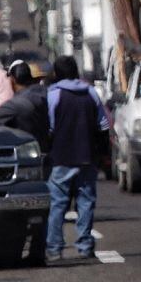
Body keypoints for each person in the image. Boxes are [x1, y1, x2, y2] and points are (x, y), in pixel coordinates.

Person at [45, 55, 110, 263]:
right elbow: (103, 126)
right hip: (87, 157)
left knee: (57, 204)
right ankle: (85, 246)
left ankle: (54, 248)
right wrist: (104, 154)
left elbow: (50, 128)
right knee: (85, 202)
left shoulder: (53, 95)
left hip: (62, 158)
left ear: (56, 74)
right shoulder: (91, 93)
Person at [0, 59, 51, 155]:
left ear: (12, 79)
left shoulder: (17, 103)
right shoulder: (45, 95)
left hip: (26, 151)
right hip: (44, 150)